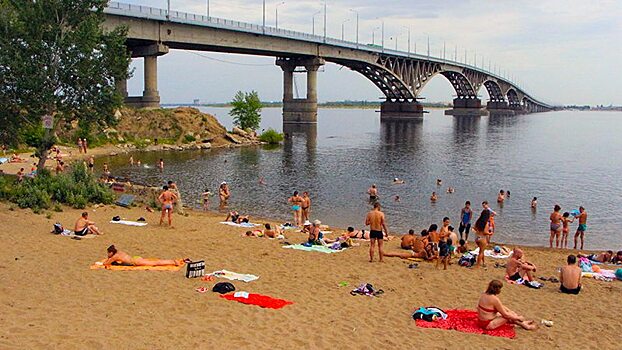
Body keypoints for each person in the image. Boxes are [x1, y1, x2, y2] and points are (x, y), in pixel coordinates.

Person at [103, 245, 182, 267]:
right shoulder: (119, 252)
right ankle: (172, 261)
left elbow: (106, 263)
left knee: (155, 263)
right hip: (135, 258)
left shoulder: (115, 256)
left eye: (108, 253)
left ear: (111, 252)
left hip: (135, 261)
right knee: (153, 262)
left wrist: (108, 258)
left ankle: (173, 262)